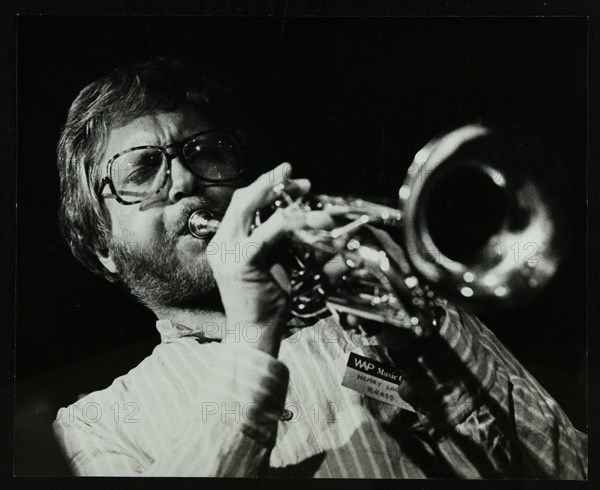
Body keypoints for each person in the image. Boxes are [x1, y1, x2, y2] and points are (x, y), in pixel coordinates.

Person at [52, 57, 587, 478]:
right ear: (102, 246)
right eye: (143, 167)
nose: (186, 181)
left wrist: (423, 336)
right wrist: (249, 334)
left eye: (205, 150)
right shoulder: (96, 426)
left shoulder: (386, 311)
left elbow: (568, 468)